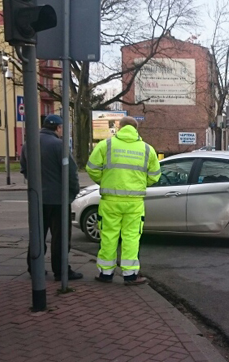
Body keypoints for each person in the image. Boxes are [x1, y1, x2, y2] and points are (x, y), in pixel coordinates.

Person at [86, 116, 160, 285]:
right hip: (134, 202)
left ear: (120, 127)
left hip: (110, 201)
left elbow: (91, 168)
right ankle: (130, 275)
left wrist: (104, 181)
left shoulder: (106, 145)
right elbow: (155, 176)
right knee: (131, 237)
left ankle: (106, 273)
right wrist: (140, 184)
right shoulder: (147, 149)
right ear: (136, 128)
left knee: (109, 235)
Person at [20, 114, 83, 281]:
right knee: (60, 237)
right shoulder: (58, 145)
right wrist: (73, 192)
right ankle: (61, 270)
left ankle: (34, 268)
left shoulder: (28, 144)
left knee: (38, 235)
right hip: (58, 200)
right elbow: (70, 173)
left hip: (37, 199)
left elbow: (24, 168)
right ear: (58, 128)